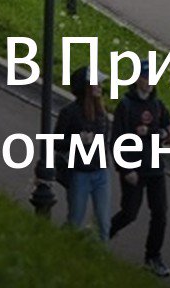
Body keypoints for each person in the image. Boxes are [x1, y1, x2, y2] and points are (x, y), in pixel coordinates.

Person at [109, 61, 170, 278]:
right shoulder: (126, 106)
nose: (149, 82)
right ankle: (105, 231)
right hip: (134, 170)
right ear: (137, 78)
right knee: (129, 213)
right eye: (146, 77)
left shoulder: (158, 105)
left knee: (160, 213)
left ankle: (153, 256)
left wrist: (158, 133)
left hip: (155, 168)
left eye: (153, 78)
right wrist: (125, 168)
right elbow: (116, 141)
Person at [55, 66, 111, 240]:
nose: (100, 87)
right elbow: (57, 142)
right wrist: (78, 140)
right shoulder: (70, 113)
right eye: (96, 84)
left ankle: (102, 256)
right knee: (75, 219)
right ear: (86, 87)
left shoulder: (102, 113)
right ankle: (62, 245)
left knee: (103, 222)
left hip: (100, 172)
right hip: (79, 173)